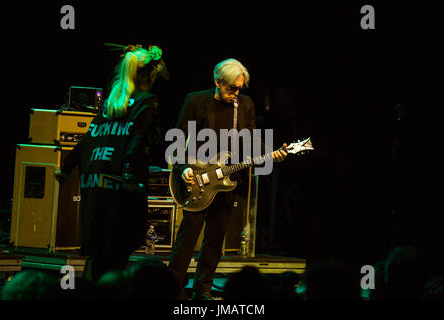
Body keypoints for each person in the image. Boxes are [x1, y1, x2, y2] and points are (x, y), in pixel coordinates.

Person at [168, 58, 287, 300]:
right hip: (198, 178)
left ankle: (202, 290)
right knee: (187, 238)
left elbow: (251, 140)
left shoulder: (245, 105)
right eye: (231, 88)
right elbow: (177, 139)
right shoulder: (196, 100)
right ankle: (171, 290)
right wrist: (182, 168)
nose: (236, 93)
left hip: (226, 179)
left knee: (215, 241)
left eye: (240, 88)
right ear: (217, 81)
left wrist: (273, 153)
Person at [55, 43, 168, 282]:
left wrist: (65, 169)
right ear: (150, 76)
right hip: (120, 189)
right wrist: (128, 172)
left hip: (95, 187)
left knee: (98, 255)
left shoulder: (110, 104)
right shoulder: (146, 101)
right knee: (117, 253)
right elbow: (137, 139)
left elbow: (87, 140)